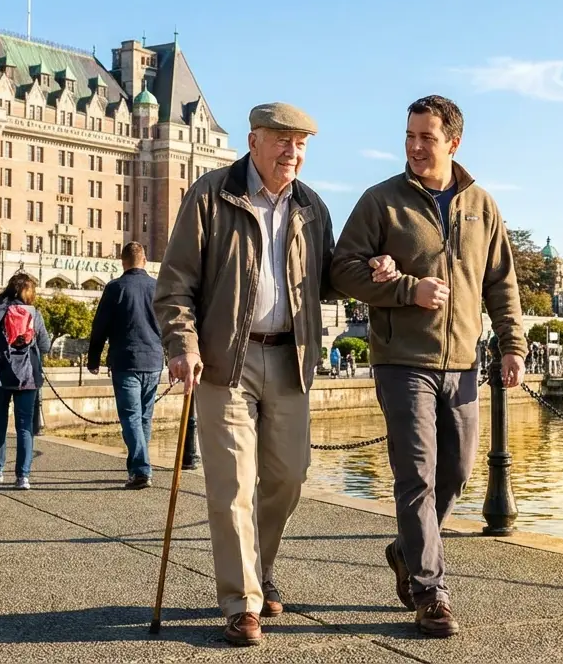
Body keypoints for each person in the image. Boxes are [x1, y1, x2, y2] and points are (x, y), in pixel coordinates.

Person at [154, 102, 396, 646]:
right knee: (232, 482)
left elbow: (328, 280)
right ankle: (242, 602)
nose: (294, 153)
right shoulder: (211, 195)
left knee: (288, 477)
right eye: (283, 142)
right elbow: (175, 285)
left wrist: (373, 268)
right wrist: (182, 345)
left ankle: (259, 566)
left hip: (292, 359)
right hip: (224, 361)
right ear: (254, 141)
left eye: (302, 145)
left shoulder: (311, 206)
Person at [331, 95, 527, 638]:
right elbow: (342, 271)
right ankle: (430, 590)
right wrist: (403, 289)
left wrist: (512, 346)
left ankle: (404, 549)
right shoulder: (380, 201)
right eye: (410, 137)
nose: (416, 147)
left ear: (453, 143)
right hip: (402, 361)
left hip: (464, 361)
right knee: (415, 473)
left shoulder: (482, 205)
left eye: (427, 138)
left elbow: (501, 283)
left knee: (457, 473)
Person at [86, 241, 163, 490]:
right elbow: (168, 324)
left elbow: (100, 327)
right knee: (144, 417)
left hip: (125, 360)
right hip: (153, 360)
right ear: (145, 260)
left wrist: (94, 358)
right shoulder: (157, 287)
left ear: (123, 261)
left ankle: (141, 470)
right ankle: (138, 468)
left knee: (130, 417)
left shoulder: (115, 288)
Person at [0, 273, 51, 490]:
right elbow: (45, 346)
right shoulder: (34, 313)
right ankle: (23, 476)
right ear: (28, 292)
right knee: (25, 427)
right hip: (27, 378)